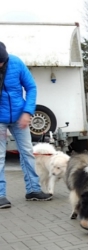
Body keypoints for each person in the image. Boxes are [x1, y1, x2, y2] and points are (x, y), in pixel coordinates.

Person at [0, 42, 52, 208]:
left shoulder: (16, 63)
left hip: (19, 116)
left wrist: (28, 112)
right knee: (0, 157)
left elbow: (31, 87)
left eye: (2, 62)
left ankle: (33, 190)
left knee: (28, 152)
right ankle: (0, 195)